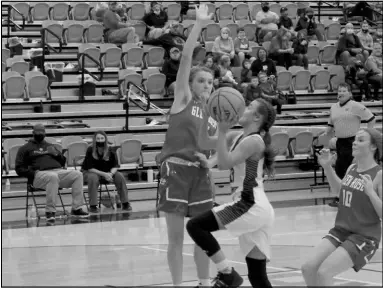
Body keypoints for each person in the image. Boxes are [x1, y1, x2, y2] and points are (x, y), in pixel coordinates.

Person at [187, 98, 277, 288]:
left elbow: (226, 163)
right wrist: (207, 114)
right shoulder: (238, 137)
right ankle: (228, 274)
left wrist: (221, 130)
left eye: (249, 106)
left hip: (249, 203)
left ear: (257, 117)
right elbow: (204, 141)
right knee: (257, 277)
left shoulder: (254, 141)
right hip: (254, 206)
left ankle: (227, 273)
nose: (243, 108)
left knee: (196, 226)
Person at [156, 5, 215, 287]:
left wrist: (211, 163)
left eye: (210, 82)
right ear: (190, 84)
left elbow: (219, 152)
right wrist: (199, 26)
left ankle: (204, 283)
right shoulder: (183, 99)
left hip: (200, 174)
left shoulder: (213, 115)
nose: (206, 85)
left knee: (204, 236)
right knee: (176, 238)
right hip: (175, 171)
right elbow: (188, 58)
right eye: (201, 81)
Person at [301, 128, 382, 286]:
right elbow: (339, 191)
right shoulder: (352, 168)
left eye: (360, 140)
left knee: (324, 273)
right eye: (355, 140)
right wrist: (327, 167)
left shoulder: (379, 174)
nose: (354, 143)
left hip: (364, 236)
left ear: (373, 147)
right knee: (308, 268)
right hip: (341, 230)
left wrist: (371, 193)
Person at [15, 124, 89, 221]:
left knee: (77, 174)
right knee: (52, 176)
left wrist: (56, 154)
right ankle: (50, 211)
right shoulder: (24, 148)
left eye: (42, 132)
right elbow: (18, 169)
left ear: (45, 133)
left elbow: (63, 161)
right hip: (38, 175)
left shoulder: (50, 146)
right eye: (38, 132)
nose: (40, 134)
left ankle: (76, 208)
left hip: (57, 172)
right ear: (33, 133)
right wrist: (33, 173)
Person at [322, 83, 376, 207]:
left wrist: (368, 134)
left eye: (343, 91)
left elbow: (371, 119)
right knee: (340, 168)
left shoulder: (355, 106)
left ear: (349, 93)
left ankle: (352, 197)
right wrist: (324, 136)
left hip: (352, 141)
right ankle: (341, 197)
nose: (340, 93)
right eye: (339, 91)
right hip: (339, 142)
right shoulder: (333, 107)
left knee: (348, 168)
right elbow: (330, 126)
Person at [81, 131, 132, 213]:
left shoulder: (111, 150)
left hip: (107, 172)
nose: (100, 140)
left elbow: (116, 166)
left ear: (105, 139)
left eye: (102, 138)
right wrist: (105, 174)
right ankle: (93, 205)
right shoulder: (90, 149)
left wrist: (110, 174)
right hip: (90, 172)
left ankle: (125, 203)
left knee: (119, 176)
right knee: (93, 178)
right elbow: (90, 168)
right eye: (98, 138)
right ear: (94, 140)